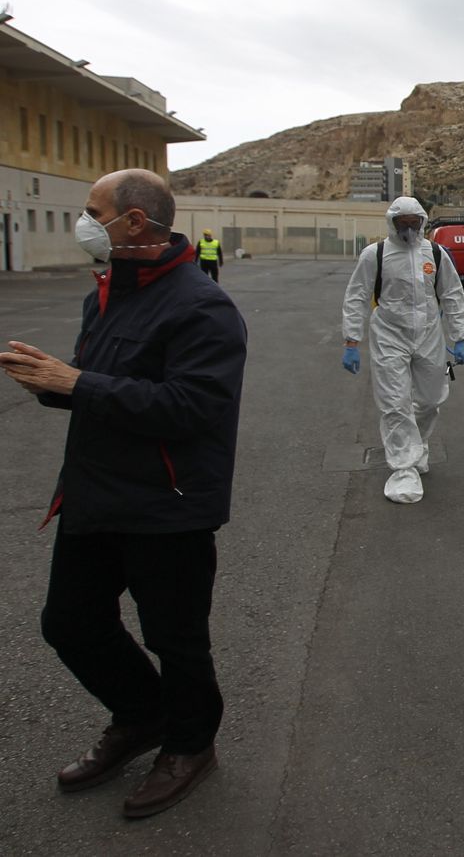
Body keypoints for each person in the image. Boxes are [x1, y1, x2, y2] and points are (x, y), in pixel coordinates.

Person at [0, 169, 248, 818]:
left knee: (176, 638)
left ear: (134, 223)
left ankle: (191, 744)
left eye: (92, 212)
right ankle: (142, 715)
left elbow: (192, 407)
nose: (84, 223)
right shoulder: (105, 295)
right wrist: (50, 382)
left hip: (167, 506)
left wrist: (74, 383)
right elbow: (101, 385)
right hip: (95, 494)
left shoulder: (203, 305)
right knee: (70, 622)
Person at [341, 197, 464, 505]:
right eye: (403, 223)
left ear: (422, 222)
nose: (409, 229)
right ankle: (402, 469)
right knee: (395, 403)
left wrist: (460, 337)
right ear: (392, 223)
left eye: (415, 223)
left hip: (428, 335)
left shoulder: (435, 253)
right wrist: (351, 342)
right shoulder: (376, 254)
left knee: (430, 400)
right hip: (389, 335)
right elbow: (357, 295)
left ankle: (417, 443)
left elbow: (451, 293)